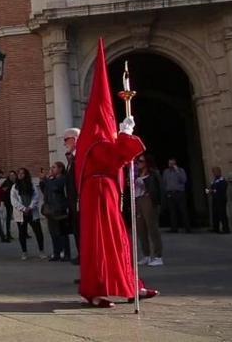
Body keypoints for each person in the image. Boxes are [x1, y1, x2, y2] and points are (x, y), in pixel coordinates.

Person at [76, 39, 158, 308]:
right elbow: (112, 158)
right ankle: (98, 290)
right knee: (103, 242)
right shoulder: (96, 139)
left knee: (118, 241)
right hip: (99, 193)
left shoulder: (100, 136)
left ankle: (130, 285)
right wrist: (125, 136)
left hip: (106, 193)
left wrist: (122, 136)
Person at [10, 167, 45, 260]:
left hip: (31, 211)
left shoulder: (31, 185)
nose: (20, 175)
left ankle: (41, 251)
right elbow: (14, 200)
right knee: (22, 233)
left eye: (22, 173)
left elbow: (36, 197)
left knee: (38, 232)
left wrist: (30, 207)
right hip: (21, 212)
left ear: (26, 175)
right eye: (19, 173)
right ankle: (24, 252)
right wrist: (23, 208)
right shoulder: (15, 187)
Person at [135, 154, 164, 267]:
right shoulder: (136, 174)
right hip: (138, 200)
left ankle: (158, 256)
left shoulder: (153, 173)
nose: (139, 163)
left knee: (152, 228)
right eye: (138, 161)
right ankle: (146, 255)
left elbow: (159, 188)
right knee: (141, 229)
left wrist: (159, 203)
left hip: (149, 200)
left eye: (141, 161)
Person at [41, 161, 71, 262]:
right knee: (53, 233)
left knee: (62, 233)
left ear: (60, 169)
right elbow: (46, 191)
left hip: (59, 209)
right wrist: (43, 182)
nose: (51, 169)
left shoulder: (62, 179)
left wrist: (46, 179)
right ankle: (56, 253)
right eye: (51, 168)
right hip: (50, 209)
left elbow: (55, 187)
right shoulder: (51, 180)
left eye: (54, 167)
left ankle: (66, 254)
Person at [63, 127, 81, 264]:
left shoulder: (79, 158)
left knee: (81, 232)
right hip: (72, 203)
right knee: (76, 231)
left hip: (79, 203)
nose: (64, 144)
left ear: (74, 140)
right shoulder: (72, 160)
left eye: (66, 140)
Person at [163, 158, 191, 233]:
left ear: (175, 164)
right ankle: (174, 228)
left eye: (172, 163)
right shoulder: (166, 172)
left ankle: (187, 228)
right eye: (169, 163)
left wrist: (177, 171)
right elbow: (164, 182)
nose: (171, 165)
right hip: (170, 193)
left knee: (183, 210)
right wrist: (166, 192)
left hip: (179, 193)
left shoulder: (181, 170)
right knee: (172, 211)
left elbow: (184, 180)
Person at [206, 166, 230, 233]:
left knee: (222, 214)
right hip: (215, 199)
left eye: (215, 172)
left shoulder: (222, 180)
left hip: (221, 199)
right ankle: (215, 228)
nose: (214, 173)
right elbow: (211, 188)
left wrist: (212, 191)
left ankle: (226, 229)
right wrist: (208, 191)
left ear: (219, 172)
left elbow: (221, 190)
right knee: (215, 214)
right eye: (213, 172)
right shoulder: (214, 181)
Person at [1, 170, 17, 241]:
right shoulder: (6, 183)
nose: (12, 177)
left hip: (16, 203)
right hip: (8, 203)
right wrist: (3, 201)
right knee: (8, 218)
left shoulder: (17, 182)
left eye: (13, 175)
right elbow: (2, 192)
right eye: (11, 175)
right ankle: (8, 233)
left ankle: (24, 233)